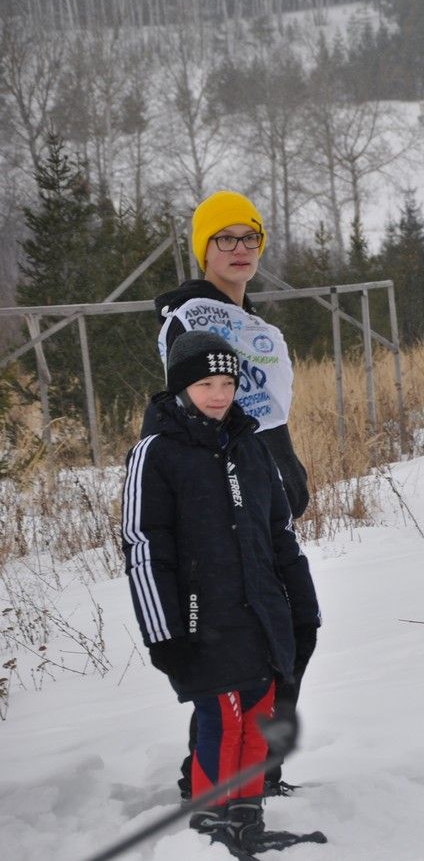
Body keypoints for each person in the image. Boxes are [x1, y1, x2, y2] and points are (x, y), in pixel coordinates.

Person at [121, 331, 322, 852]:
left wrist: (302, 609)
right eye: (206, 383)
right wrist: (163, 633)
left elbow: (280, 535)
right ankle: (211, 825)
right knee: (223, 719)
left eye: (228, 382)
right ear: (181, 387)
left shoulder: (251, 447)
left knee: (259, 720)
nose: (219, 394)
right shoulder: (156, 454)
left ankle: (247, 818)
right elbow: (144, 546)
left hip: (261, 615)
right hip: (199, 621)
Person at [149, 191, 314, 800]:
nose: (240, 249)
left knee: (294, 628)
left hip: (267, 494)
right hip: (224, 503)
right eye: (225, 239)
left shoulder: (259, 327)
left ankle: (258, 766)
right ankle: (214, 778)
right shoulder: (190, 320)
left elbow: (267, 415)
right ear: (204, 248)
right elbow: (196, 415)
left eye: (250, 238)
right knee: (237, 648)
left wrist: (286, 472)